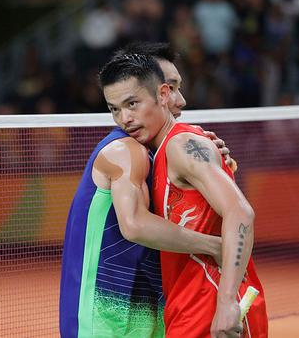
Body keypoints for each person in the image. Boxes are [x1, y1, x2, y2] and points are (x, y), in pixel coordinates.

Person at [60, 43, 233, 337]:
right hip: (103, 314)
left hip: (148, 303)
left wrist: (212, 161)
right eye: (170, 87)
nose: (180, 100)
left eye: (176, 88)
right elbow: (135, 224)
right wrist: (215, 246)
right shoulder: (125, 150)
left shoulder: (163, 151)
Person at [99, 51, 267, 337]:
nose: (124, 118)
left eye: (132, 104)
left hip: (214, 303)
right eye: (114, 109)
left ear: (162, 95)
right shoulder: (158, 154)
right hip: (186, 304)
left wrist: (227, 302)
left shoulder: (182, 145)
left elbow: (240, 212)